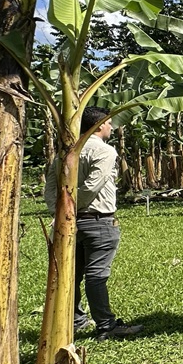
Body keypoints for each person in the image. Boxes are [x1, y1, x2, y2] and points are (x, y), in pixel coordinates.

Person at [73, 107, 143, 340]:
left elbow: (52, 187)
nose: (112, 127)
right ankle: (106, 326)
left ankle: (74, 320)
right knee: (97, 275)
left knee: (73, 274)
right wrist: (75, 204)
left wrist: (62, 209)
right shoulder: (104, 151)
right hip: (97, 221)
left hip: (71, 222)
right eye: (110, 123)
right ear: (100, 125)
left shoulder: (69, 150)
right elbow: (93, 186)